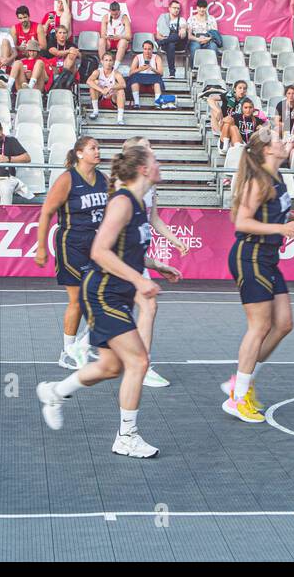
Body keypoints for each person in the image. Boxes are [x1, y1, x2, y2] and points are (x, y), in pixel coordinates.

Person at [35, 142, 182, 459]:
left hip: (117, 291)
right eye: (155, 160)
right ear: (143, 168)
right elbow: (99, 251)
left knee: (111, 366)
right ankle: (126, 436)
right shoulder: (123, 202)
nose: (159, 164)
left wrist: (155, 266)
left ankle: (54, 392)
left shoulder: (139, 205)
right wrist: (140, 279)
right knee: (138, 362)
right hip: (102, 291)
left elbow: (126, 249)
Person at [221, 128, 294, 423]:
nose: (282, 143)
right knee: (259, 326)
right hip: (250, 255)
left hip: (266, 257)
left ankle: (242, 380)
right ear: (267, 150)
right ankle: (238, 397)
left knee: (284, 324)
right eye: (277, 141)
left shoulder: (277, 177)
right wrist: (281, 229)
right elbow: (242, 222)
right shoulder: (257, 182)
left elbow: (276, 211)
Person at [116, 135, 189, 389]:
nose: (153, 151)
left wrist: (174, 240)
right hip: (120, 259)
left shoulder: (150, 188)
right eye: (148, 148)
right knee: (128, 310)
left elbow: (154, 219)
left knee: (146, 307)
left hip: (135, 256)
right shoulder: (121, 188)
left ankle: (141, 363)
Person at [35, 135, 109, 370]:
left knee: (101, 296)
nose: (98, 151)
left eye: (98, 147)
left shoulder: (103, 179)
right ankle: (67, 351)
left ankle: (85, 344)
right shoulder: (68, 179)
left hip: (96, 244)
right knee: (78, 299)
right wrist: (41, 247)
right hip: (72, 243)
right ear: (79, 153)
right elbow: (46, 212)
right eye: (92, 148)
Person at [86, 51, 126, 123]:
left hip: (112, 97)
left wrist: (110, 88)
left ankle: (120, 118)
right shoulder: (97, 71)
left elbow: (123, 84)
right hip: (100, 96)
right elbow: (88, 81)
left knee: (121, 91)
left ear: (113, 62)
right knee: (93, 85)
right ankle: (95, 111)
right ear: (102, 62)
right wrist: (102, 90)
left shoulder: (116, 73)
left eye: (110, 60)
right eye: (106, 60)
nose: (108, 63)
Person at [155, 0, 188, 78]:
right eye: (174, 8)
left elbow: (183, 28)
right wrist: (166, 38)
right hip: (167, 44)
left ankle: (159, 44)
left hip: (179, 44)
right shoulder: (163, 19)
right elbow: (158, 35)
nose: (176, 10)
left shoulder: (181, 19)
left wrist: (183, 29)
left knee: (182, 34)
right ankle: (172, 72)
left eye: (178, 8)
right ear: (169, 8)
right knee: (171, 44)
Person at [126, 40, 165, 107]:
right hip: (140, 79)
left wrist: (152, 69)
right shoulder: (138, 57)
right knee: (134, 78)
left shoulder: (157, 57)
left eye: (149, 49)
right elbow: (130, 73)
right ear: (143, 49)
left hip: (153, 79)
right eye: (145, 49)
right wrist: (140, 69)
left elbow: (161, 73)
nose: (147, 51)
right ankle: (137, 103)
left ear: (152, 49)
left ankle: (157, 103)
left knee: (158, 79)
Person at [98, 1, 132, 66]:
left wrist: (119, 37)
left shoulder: (124, 18)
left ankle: (116, 65)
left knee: (123, 41)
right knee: (101, 40)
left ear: (119, 11)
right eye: (112, 14)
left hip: (120, 42)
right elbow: (102, 34)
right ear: (109, 11)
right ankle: (103, 63)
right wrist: (107, 37)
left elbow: (129, 36)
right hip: (109, 41)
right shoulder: (105, 17)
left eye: (116, 14)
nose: (114, 16)